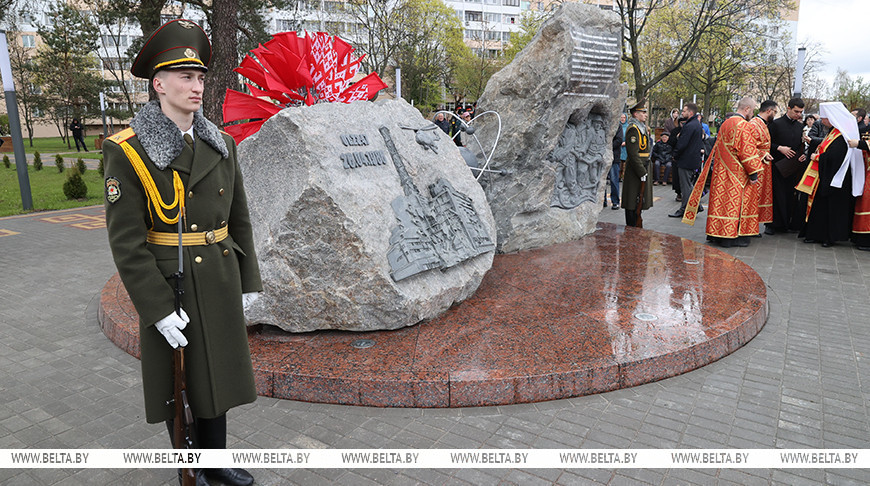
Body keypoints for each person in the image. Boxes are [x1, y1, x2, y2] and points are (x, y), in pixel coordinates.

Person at [103, 19, 261, 486]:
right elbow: (126, 243)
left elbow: (239, 217)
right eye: (185, 77)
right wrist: (156, 308)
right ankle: (190, 469)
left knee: (218, 376)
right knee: (181, 383)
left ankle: (216, 461)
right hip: (171, 283)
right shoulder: (128, 151)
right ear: (159, 84)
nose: (196, 87)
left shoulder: (221, 143)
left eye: (200, 78)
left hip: (219, 276)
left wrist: (248, 280)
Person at [682, 97, 763, 248]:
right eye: (752, 111)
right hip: (737, 174)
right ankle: (730, 238)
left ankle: (716, 236)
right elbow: (746, 152)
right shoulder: (743, 125)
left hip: (721, 172)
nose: (752, 114)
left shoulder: (726, 123)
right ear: (747, 109)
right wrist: (754, 173)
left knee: (721, 205)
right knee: (734, 206)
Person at [797, 102, 863, 247]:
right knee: (820, 206)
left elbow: (837, 156)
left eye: (824, 118)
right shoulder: (833, 131)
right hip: (826, 175)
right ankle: (815, 234)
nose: (822, 121)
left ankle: (828, 237)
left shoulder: (842, 134)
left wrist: (818, 158)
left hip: (837, 177)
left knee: (832, 209)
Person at [747, 100, 777, 234]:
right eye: (775, 112)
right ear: (769, 111)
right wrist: (763, 154)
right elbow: (748, 146)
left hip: (764, 166)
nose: (775, 115)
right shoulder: (754, 124)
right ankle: (749, 227)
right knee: (754, 196)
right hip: (756, 166)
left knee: (759, 196)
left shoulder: (763, 124)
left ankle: (753, 227)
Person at [670, 103, 704, 218]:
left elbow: (682, 143)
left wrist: (675, 154)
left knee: (685, 186)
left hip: (686, 160)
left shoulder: (689, 126)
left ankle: (684, 208)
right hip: (692, 159)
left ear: (690, 113)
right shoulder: (696, 124)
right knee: (688, 185)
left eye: (684, 111)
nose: (682, 113)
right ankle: (697, 205)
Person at [622, 102, 653, 227]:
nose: (646, 115)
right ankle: (631, 226)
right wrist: (642, 172)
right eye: (643, 112)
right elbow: (633, 154)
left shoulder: (642, 128)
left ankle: (636, 223)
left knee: (640, 199)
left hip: (643, 166)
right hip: (636, 169)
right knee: (632, 199)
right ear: (635, 114)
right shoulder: (633, 129)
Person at [607, 113, 624, 209]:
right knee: (602, 181)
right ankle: (603, 201)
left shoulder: (618, 126)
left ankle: (615, 201)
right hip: (603, 157)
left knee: (614, 180)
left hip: (614, 157)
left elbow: (619, 140)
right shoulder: (605, 124)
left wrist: (607, 146)